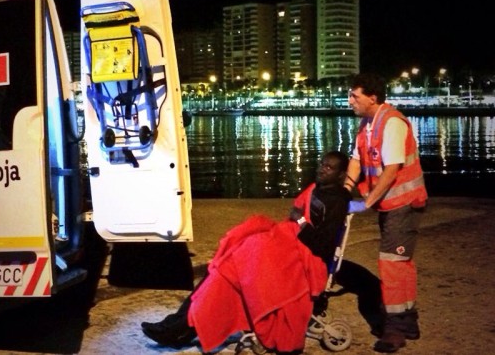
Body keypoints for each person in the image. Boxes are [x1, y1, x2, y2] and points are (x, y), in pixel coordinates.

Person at [141, 150, 352, 354]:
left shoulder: (337, 200)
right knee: (225, 262)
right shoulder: (318, 188)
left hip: (305, 258)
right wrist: (298, 221)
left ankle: (181, 329)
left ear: (341, 174)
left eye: (329, 167)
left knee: (230, 269)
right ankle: (178, 324)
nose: (322, 169)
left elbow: (322, 244)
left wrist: (300, 220)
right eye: (322, 164)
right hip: (290, 245)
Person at [344, 72, 427, 353]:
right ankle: (408, 321)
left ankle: (394, 329)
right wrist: (344, 191)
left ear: (372, 97)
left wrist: (365, 203)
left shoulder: (390, 124)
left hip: (403, 204)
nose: (349, 101)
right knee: (400, 263)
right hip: (391, 205)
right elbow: (356, 160)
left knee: (391, 263)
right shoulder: (368, 125)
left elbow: (391, 171)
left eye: (354, 96)